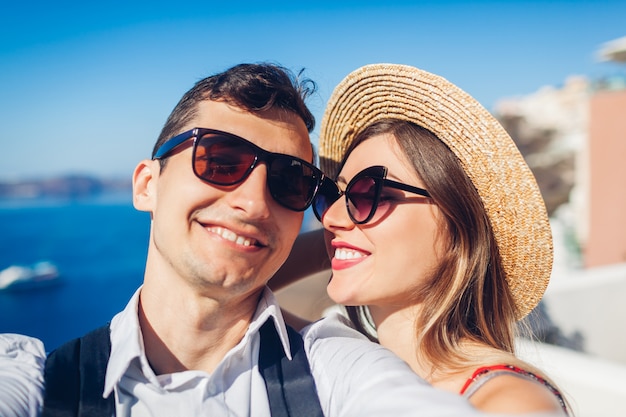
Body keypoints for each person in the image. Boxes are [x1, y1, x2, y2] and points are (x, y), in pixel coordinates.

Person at [0, 63, 491, 417]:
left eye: (291, 182)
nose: (254, 203)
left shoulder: (337, 371)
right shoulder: (33, 382)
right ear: (147, 184)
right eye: (220, 161)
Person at [273, 63, 571, 415]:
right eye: (329, 196)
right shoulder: (337, 357)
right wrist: (348, 238)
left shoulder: (508, 404)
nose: (332, 218)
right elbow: (231, 285)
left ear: (457, 228)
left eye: (371, 193)